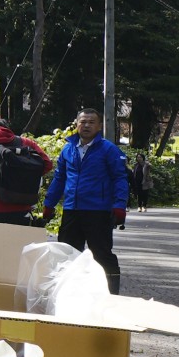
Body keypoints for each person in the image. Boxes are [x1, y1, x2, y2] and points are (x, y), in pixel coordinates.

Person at [43, 108, 129, 293]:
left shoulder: (108, 150)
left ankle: (111, 294)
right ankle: (67, 293)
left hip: (98, 210)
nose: (86, 125)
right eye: (83, 122)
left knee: (101, 254)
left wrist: (119, 205)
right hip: (72, 209)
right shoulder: (68, 148)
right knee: (67, 254)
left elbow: (120, 178)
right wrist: (48, 204)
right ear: (77, 124)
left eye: (91, 122)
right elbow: (59, 178)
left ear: (99, 126)